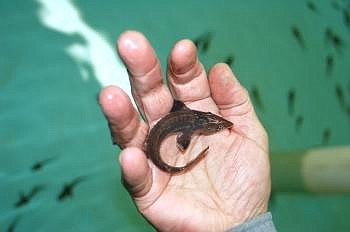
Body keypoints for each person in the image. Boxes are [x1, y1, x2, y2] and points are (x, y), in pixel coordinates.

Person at [99, 30, 276, 232]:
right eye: (217, 126)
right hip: (157, 140)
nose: (221, 126)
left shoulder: (192, 119)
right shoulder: (190, 129)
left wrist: (244, 219)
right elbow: (182, 137)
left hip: (162, 135)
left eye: (218, 125)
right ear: (204, 128)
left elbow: (179, 108)